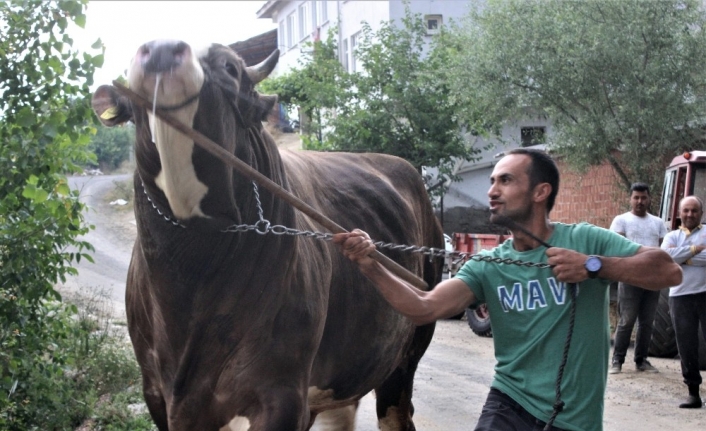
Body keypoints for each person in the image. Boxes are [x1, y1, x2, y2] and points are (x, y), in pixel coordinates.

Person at [333, 148, 681, 431]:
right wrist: (370, 265)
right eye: (491, 181)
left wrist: (594, 266)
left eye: (505, 180)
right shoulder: (490, 265)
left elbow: (669, 270)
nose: (491, 191)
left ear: (540, 192)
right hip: (508, 404)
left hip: (575, 417)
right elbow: (423, 307)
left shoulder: (584, 239)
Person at [608, 183, 668, 374]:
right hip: (630, 278)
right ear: (630, 199)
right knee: (627, 320)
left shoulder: (658, 223)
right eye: (636, 197)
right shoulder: (621, 220)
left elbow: (663, 250)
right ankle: (617, 360)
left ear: (649, 199)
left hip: (652, 279)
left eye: (643, 198)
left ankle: (641, 360)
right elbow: (615, 247)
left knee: (648, 322)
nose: (640, 201)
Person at [660, 196, 706, 409]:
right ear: (679, 213)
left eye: (694, 210)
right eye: (686, 210)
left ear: (701, 214)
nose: (690, 214)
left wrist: (682, 257)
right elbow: (665, 257)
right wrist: (697, 250)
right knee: (686, 346)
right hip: (679, 297)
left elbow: (674, 257)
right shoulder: (672, 235)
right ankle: (693, 394)